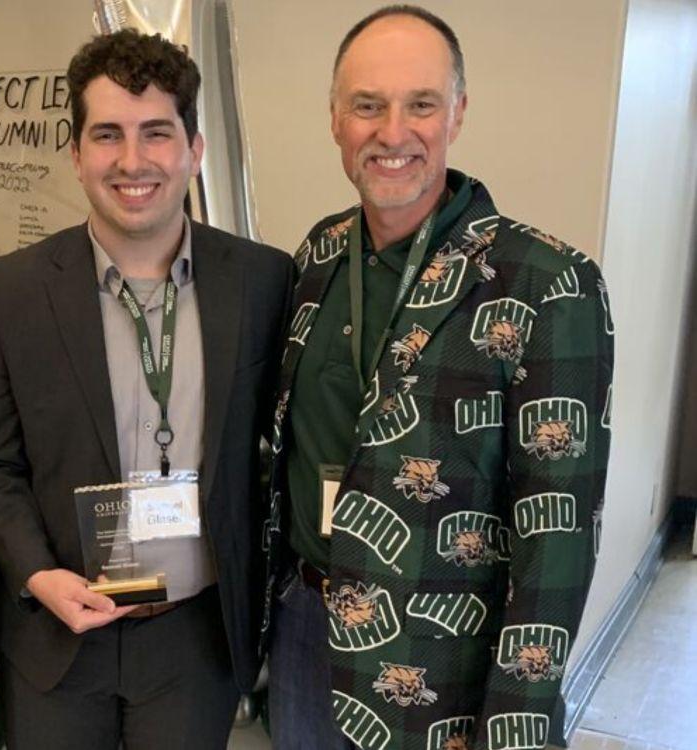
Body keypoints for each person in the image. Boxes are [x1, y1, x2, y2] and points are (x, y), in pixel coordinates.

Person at [260, 6, 614, 750]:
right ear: (334, 121)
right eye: (367, 106)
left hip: (443, 662)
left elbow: (556, 536)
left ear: (456, 113)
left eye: (420, 104)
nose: (392, 133)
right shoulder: (318, 256)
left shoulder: (545, 283)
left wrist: (514, 719)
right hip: (305, 630)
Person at [0, 29, 294, 750]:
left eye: (156, 133)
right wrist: (36, 575)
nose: (132, 160)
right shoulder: (10, 291)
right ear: (75, 153)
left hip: (194, 636)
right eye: (107, 134)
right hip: (58, 633)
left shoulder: (262, 281)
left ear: (193, 149)